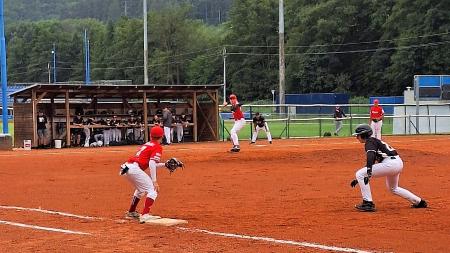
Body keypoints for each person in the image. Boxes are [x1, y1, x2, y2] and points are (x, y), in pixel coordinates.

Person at [350, 124, 427, 212]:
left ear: (363, 135)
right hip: (397, 163)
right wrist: (361, 177)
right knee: (393, 188)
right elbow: (373, 161)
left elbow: (370, 156)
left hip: (390, 164)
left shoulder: (370, 142)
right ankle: (419, 202)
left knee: (359, 173)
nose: (356, 137)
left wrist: (367, 172)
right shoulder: (374, 141)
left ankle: (368, 203)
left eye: (358, 135)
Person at [119, 126, 182, 223]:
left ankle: (131, 212)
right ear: (162, 136)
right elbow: (151, 163)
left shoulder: (148, 144)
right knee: (152, 190)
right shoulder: (157, 146)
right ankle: (145, 215)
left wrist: (164, 164)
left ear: (151, 136)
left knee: (140, 190)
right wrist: (154, 181)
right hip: (135, 169)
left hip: (126, 168)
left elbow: (151, 163)